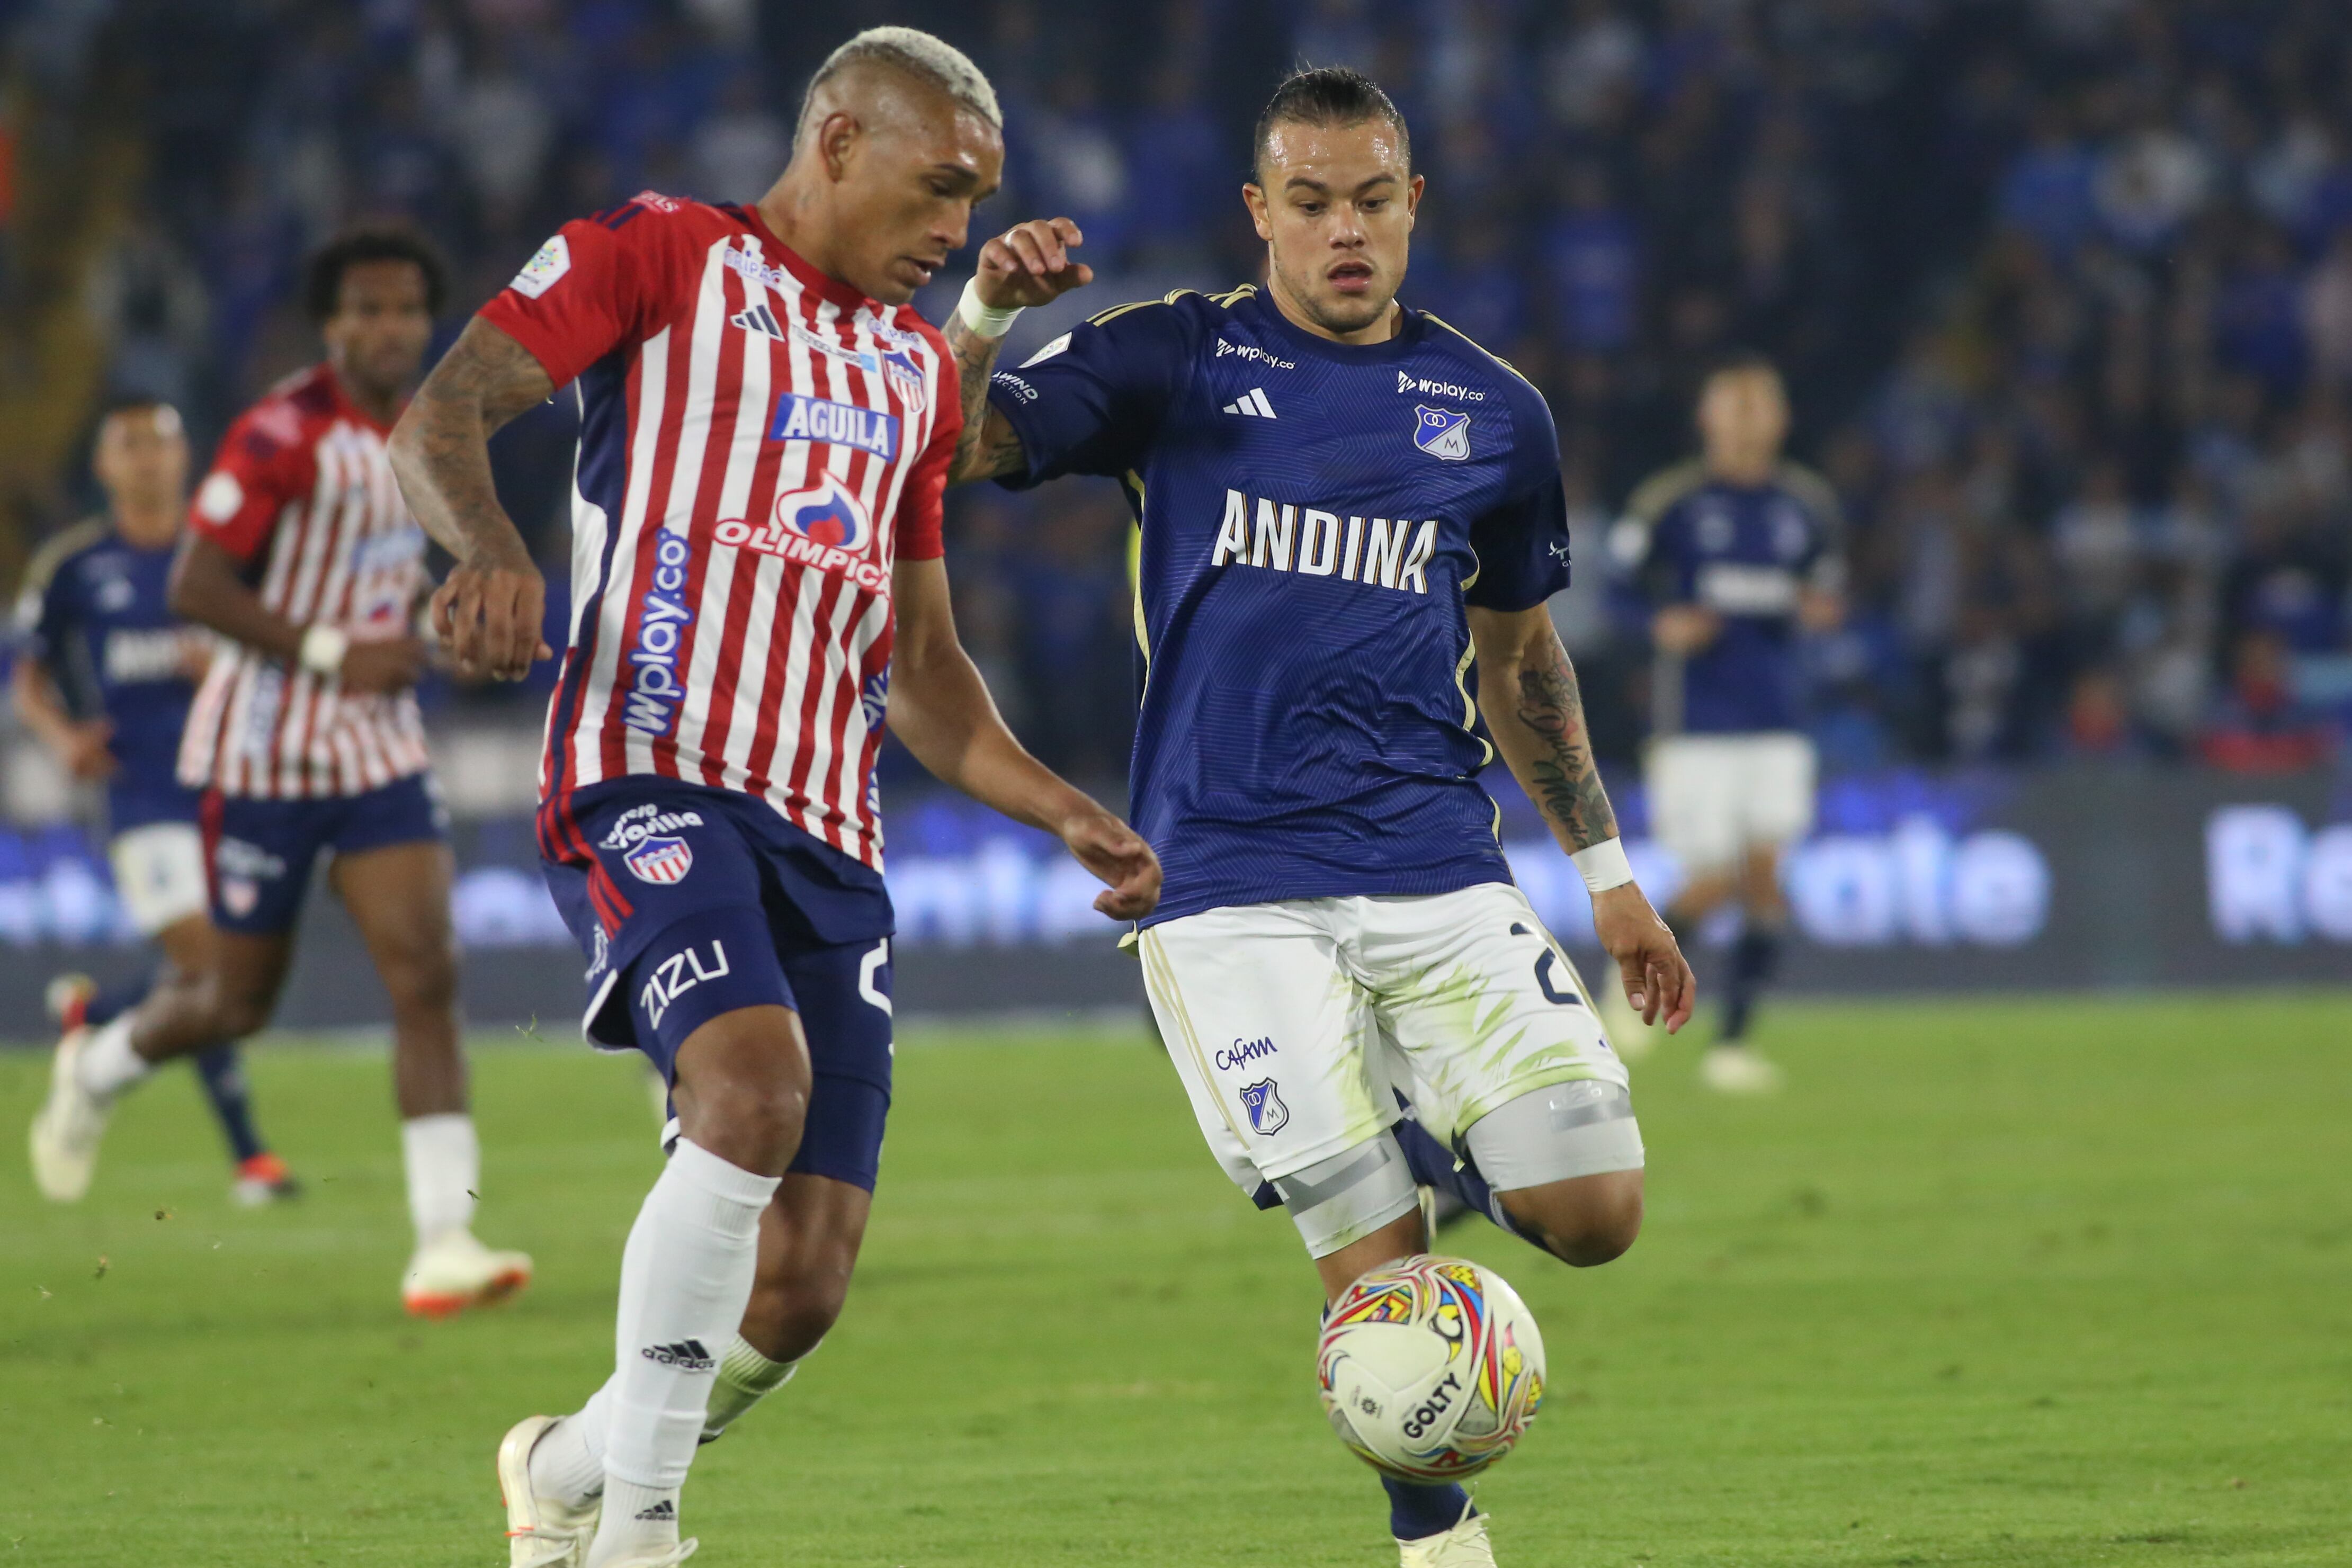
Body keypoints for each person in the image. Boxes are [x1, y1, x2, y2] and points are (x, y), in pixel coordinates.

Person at [388, 29, 1159, 1568]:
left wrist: (1064, 806)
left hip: (832, 831)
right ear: (837, 143)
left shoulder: (910, 381)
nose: (955, 231)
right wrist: (486, 549)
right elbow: (440, 419)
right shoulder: (662, 254)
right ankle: (647, 1540)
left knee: (798, 1284)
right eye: (939, 190)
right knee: (746, 1090)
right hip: (645, 772)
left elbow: (926, 672)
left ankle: (564, 1469)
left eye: (977, 200)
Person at [944, 66, 1693, 1568]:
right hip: (1228, 882)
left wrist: (1607, 876)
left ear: (1412, 204)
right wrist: (979, 322)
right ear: (1259, 213)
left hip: (1435, 861)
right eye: (1309, 203)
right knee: (1373, 1267)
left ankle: (1416, 1138)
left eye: (1370, 200)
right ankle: (1438, 1535)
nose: (1342, 230)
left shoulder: (1492, 412)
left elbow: (1523, 658)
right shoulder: (1177, 356)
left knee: (1596, 1206)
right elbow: (964, 448)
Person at [26, 228, 532, 1316]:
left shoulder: (441, 426)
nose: (389, 329)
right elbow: (198, 587)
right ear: (331, 325)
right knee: (234, 1001)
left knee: (426, 971)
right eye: (367, 311)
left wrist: (456, 618)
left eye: (407, 310)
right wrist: (327, 649)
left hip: (379, 746)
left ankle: (443, 1238)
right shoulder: (281, 433)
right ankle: (103, 1061)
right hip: (265, 745)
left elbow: (399, 571)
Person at [15, 396, 296, 1207]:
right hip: (140, 800)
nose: (145, 458)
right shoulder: (75, 565)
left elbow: (276, 652)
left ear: (186, 459)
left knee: (216, 976)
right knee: (212, 969)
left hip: (230, 791)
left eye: (159, 443)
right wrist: (63, 736)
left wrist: (234, 671)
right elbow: (27, 678)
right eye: (128, 445)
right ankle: (252, 1159)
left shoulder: (225, 560)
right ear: (104, 466)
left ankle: (97, 1016)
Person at [1608, 352, 1844, 1091]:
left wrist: (1820, 612)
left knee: (1766, 873)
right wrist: (1659, 623)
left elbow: (1827, 592)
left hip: (1777, 720)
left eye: (1758, 407)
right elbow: (1614, 591)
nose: (1745, 422)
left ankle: (1732, 1045)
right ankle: (1627, 987)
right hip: (1696, 725)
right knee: (1711, 880)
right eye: (1731, 407)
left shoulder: (1804, 505)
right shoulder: (1670, 504)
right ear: (1707, 418)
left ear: (1779, 419)